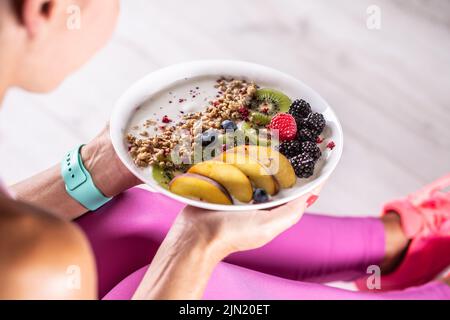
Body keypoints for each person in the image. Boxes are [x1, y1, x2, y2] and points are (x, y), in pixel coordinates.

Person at [0, 0, 449, 300]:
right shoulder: (35, 259)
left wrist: (96, 167)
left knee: (128, 216)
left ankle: (395, 244)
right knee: (210, 290)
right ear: (47, 8)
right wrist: (197, 245)